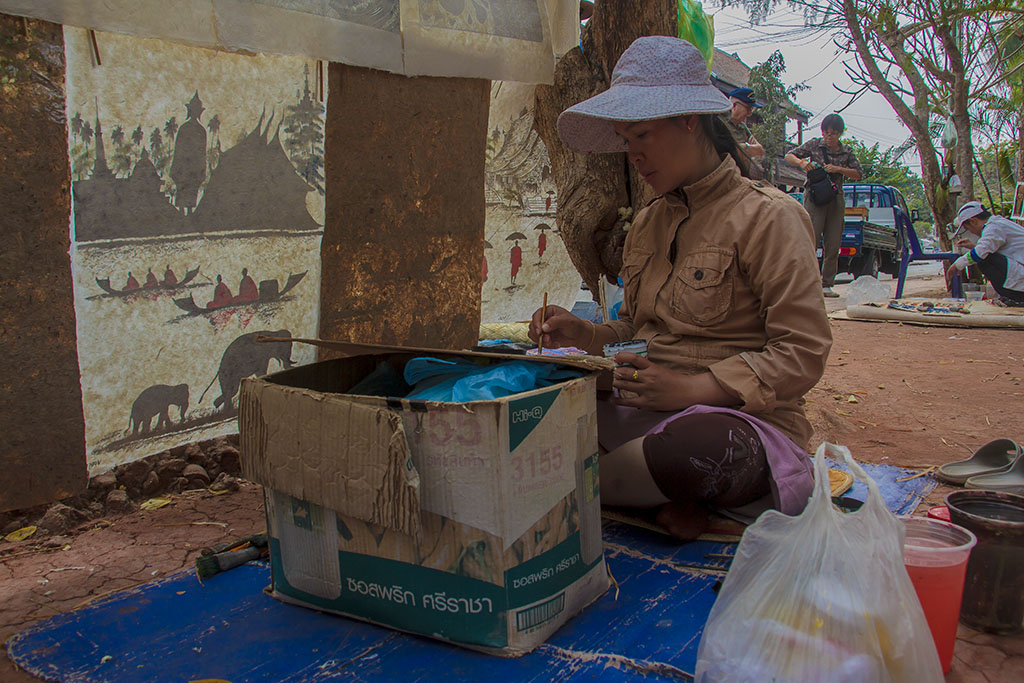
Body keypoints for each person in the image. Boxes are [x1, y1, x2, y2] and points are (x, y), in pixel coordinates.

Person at [530, 36, 832, 539]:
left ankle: (569, 492)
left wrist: (693, 390)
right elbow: (636, 329)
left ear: (690, 119)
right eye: (628, 141)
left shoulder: (770, 217)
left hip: (733, 425)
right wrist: (584, 335)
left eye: (643, 135)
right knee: (538, 403)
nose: (636, 156)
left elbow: (803, 352)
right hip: (641, 416)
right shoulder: (647, 224)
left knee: (700, 449)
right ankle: (658, 496)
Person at [784, 114, 863, 297]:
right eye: (827, 133)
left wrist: (838, 169)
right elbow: (789, 156)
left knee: (833, 242)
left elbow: (858, 173)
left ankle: (827, 283)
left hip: (835, 197)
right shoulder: (814, 145)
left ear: (840, 134)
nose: (829, 137)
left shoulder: (847, 152)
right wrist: (802, 163)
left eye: (834, 133)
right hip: (814, 196)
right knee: (810, 238)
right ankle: (806, 282)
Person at [945, 201, 1024, 305]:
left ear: (973, 221)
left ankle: (1016, 298)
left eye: (968, 229)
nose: (972, 232)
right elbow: (991, 249)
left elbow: (980, 253)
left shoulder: (993, 227)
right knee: (984, 257)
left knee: (984, 261)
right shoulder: (999, 223)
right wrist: (973, 246)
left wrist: (958, 264)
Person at [722, 86, 765, 164]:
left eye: (751, 109)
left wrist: (744, 148)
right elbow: (726, 152)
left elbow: (760, 151)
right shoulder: (719, 122)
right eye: (748, 108)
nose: (750, 113)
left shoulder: (742, 126)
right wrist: (748, 148)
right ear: (734, 106)